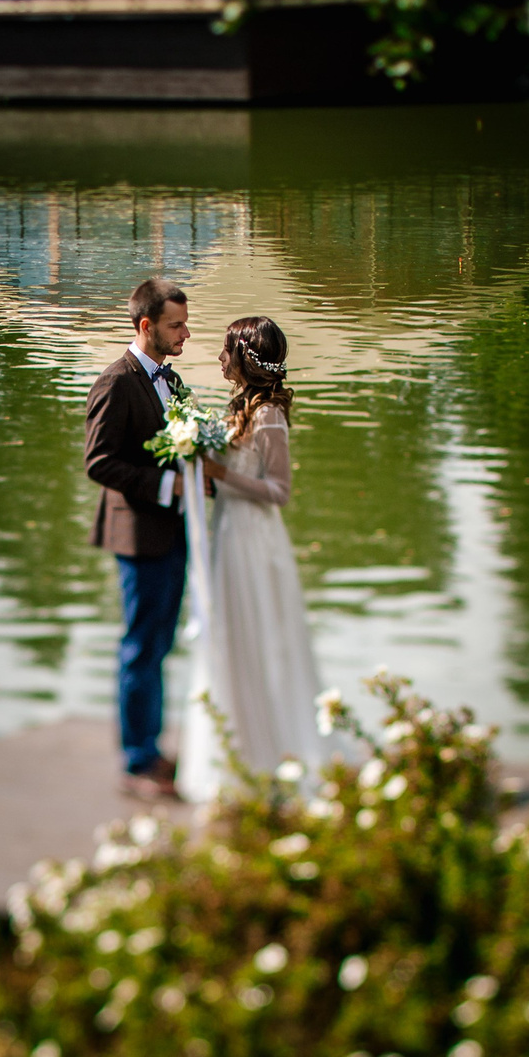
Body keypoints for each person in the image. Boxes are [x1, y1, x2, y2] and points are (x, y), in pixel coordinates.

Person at [182, 316, 326, 802]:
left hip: (253, 542)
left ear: (245, 358)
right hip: (228, 535)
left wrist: (219, 473)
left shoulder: (268, 415)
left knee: (257, 639)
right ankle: (237, 747)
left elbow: (279, 491)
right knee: (230, 639)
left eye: (227, 351)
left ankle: (269, 752)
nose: (220, 359)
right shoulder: (240, 407)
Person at [84, 278, 193, 801]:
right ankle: (136, 762)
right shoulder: (116, 382)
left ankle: (150, 748)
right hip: (139, 535)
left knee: (160, 644)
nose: (185, 333)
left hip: (172, 527)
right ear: (146, 326)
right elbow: (99, 462)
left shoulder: (166, 380)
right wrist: (168, 484)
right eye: (176, 325)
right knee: (140, 647)